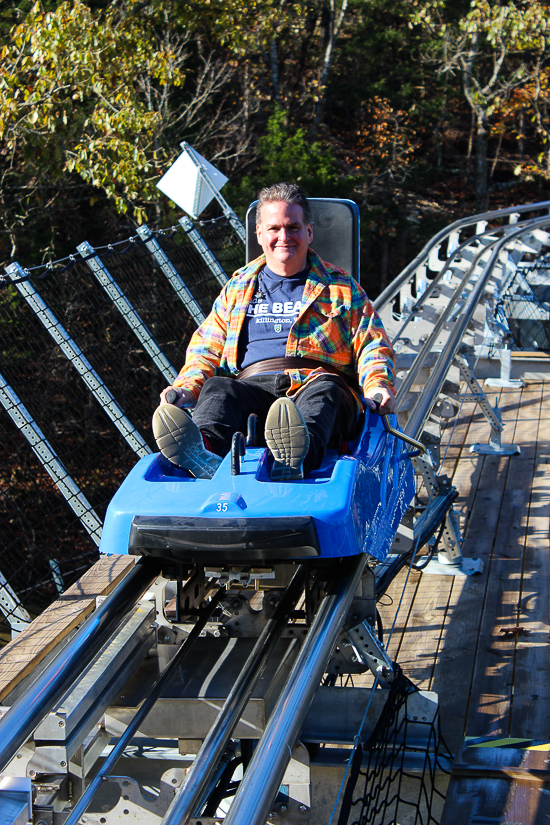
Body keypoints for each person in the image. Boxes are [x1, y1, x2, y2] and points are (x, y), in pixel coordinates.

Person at [153, 182, 396, 481]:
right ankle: (204, 452)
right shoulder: (238, 286)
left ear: (309, 232)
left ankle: (297, 457)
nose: (284, 237)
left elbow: (372, 344)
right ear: (259, 234)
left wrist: (378, 385)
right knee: (218, 387)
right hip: (254, 387)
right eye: (274, 229)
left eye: (293, 227)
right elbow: (206, 347)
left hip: (315, 383)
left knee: (328, 390)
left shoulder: (341, 286)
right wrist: (185, 388)